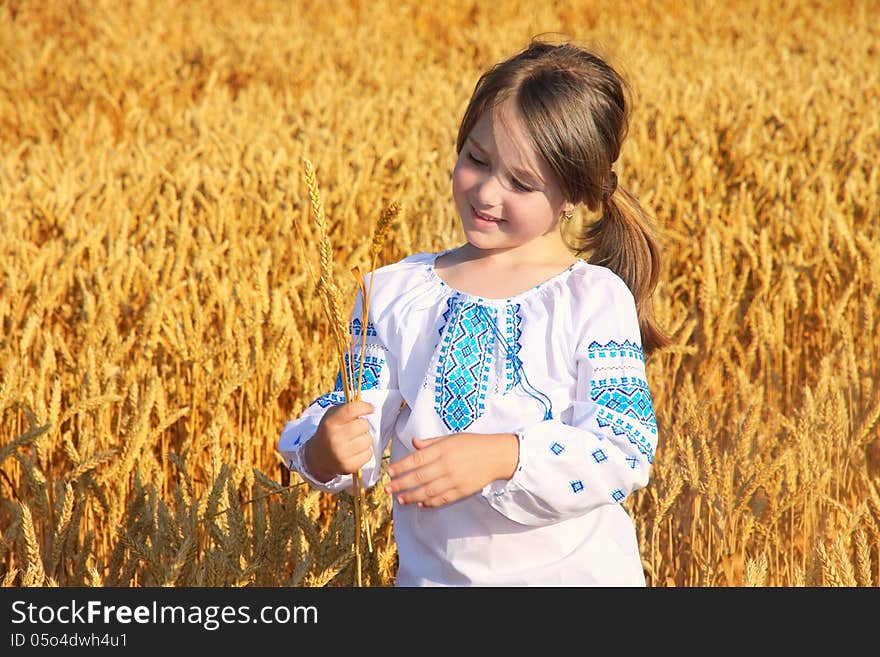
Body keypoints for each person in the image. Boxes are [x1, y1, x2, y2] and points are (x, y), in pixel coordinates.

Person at [279, 38, 668, 586]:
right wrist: (325, 449)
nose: (486, 193)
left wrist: (503, 456)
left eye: (521, 183)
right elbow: (358, 422)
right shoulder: (393, 293)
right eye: (476, 160)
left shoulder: (592, 300)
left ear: (575, 195)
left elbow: (622, 450)